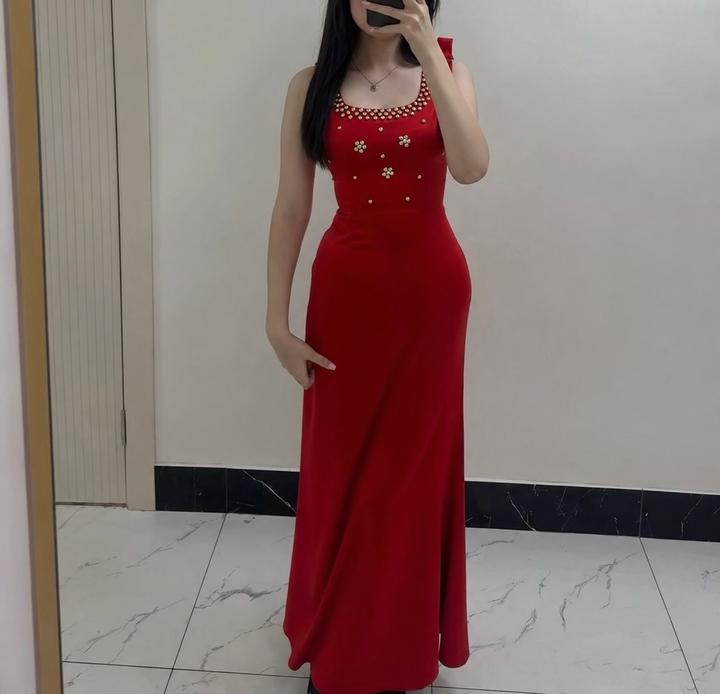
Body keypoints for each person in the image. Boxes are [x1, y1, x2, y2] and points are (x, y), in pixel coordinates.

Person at [266, 1, 489, 692]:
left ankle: (399, 648)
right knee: (341, 470)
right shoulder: (310, 85)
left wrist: (426, 48)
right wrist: (275, 322)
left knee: (410, 476)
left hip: (431, 300)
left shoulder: (447, 70)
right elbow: (293, 205)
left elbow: (472, 167)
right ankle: (341, 642)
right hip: (346, 300)